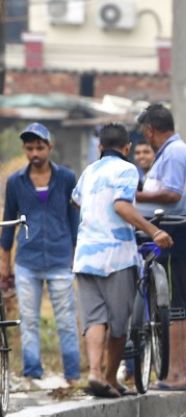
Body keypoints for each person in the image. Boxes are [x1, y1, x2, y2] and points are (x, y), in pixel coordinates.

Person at [71, 124, 171, 398]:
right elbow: (121, 205)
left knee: (94, 319)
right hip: (116, 256)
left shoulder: (89, 171)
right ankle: (110, 379)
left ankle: (94, 373)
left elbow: (77, 200)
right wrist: (155, 230)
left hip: (85, 255)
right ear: (127, 148)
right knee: (118, 322)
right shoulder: (127, 170)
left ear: (101, 147)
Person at [0, 122, 81, 386]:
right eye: (29, 148)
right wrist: (5, 263)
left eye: (39, 147)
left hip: (60, 258)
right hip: (27, 260)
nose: (34, 153)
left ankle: (71, 374)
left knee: (67, 321)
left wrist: (75, 256)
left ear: (50, 147)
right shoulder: (16, 182)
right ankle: (32, 373)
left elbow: (74, 220)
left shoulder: (67, 178)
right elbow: (8, 222)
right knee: (29, 320)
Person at [136, 104, 186, 391]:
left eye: (146, 134)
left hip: (178, 235)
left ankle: (178, 374)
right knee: (175, 307)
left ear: (151, 130)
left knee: (175, 308)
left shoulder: (175, 153)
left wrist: (135, 195)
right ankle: (176, 372)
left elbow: (173, 193)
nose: (147, 139)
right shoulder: (170, 153)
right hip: (177, 234)